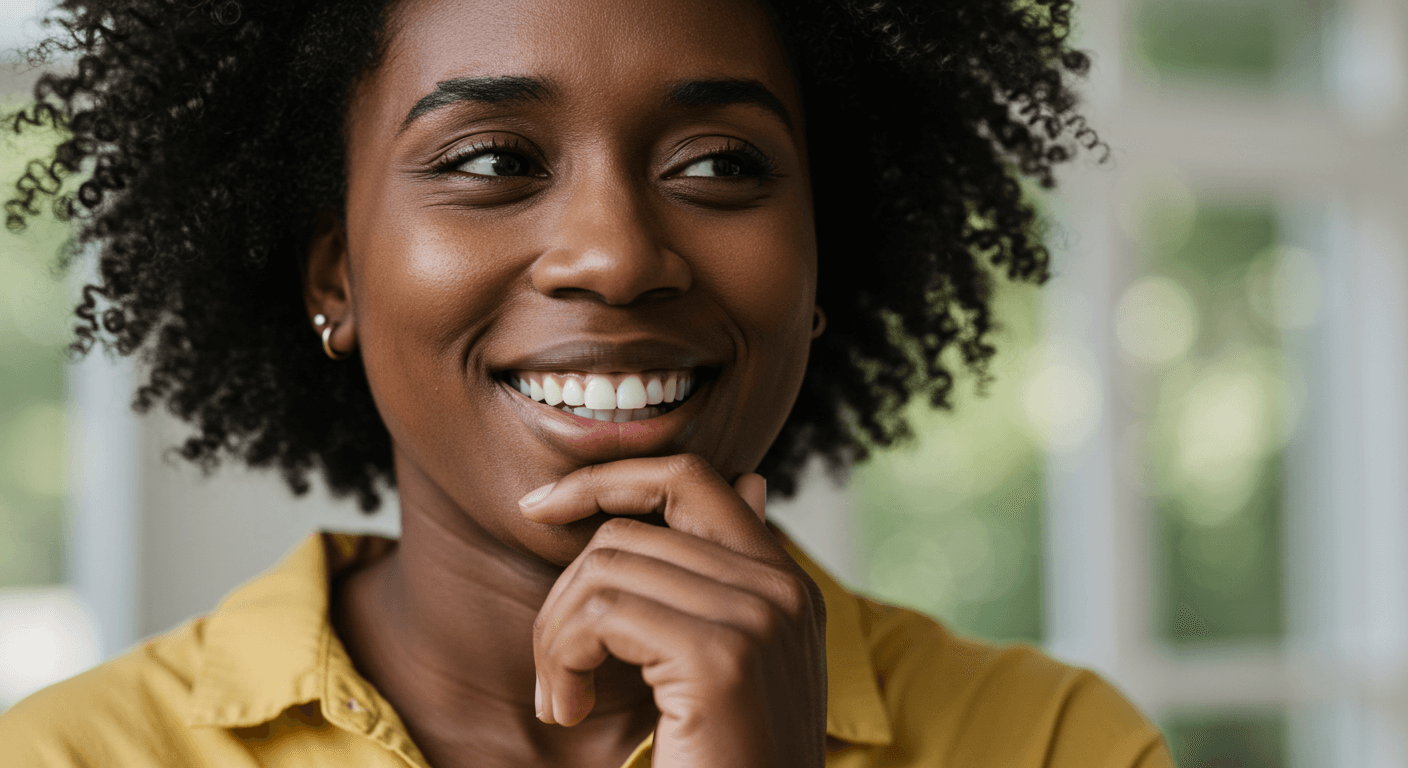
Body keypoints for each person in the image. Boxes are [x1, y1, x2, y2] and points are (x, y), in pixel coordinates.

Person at [0, 0, 1167, 766]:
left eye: (720, 164)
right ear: (338, 279)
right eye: (493, 161)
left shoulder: (1055, 744)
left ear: (820, 263)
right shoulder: (73, 757)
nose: (614, 257)